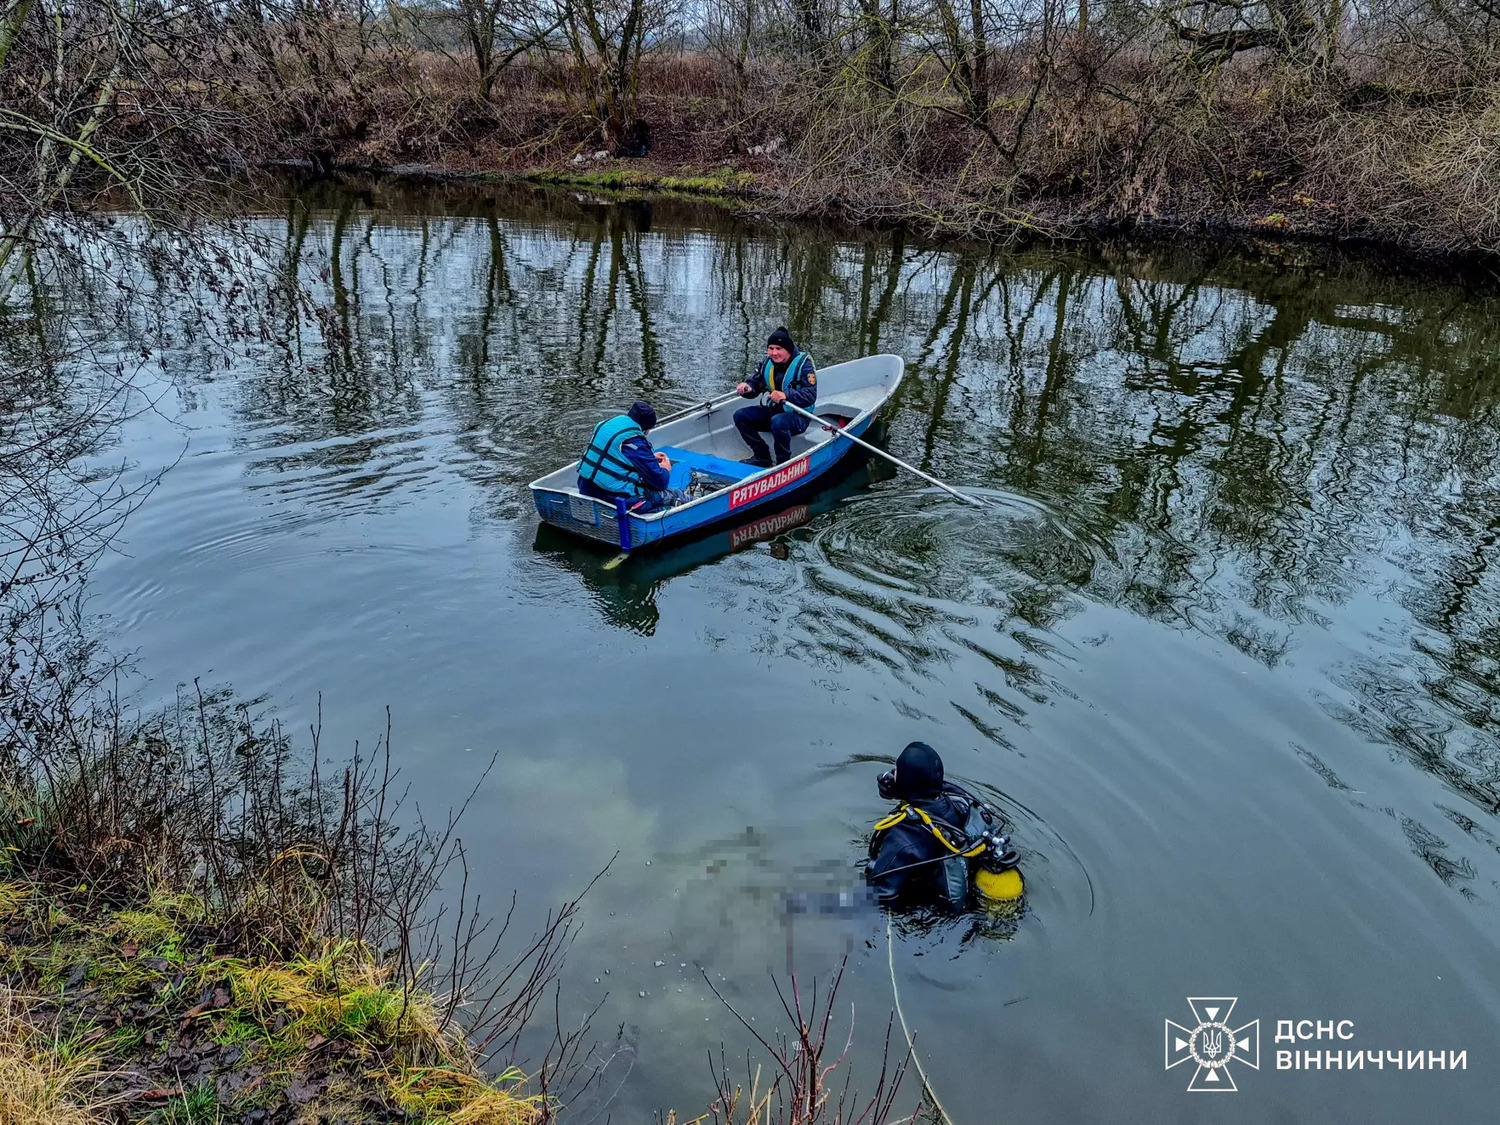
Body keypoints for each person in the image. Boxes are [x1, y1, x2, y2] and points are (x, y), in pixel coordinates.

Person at [865, 742, 1022, 910]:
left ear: (905, 780)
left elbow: (880, 894)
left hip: (937, 909)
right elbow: (924, 787)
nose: (893, 773)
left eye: (897, 771)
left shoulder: (902, 837)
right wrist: (896, 788)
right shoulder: (960, 801)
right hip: (970, 890)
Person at [576, 400, 690, 513]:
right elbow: (660, 482)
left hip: (585, 488)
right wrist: (665, 468)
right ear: (646, 429)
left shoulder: (606, 425)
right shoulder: (635, 442)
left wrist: (650, 457)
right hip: (613, 498)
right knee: (674, 494)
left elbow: (613, 457)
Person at [734, 326, 817, 467]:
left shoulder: (804, 366)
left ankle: (782, 462)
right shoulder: (766, 363)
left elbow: (810, 395)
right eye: (771, 348)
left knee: (779, 422)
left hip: (798, 416)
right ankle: (762, 455)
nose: (774, 353)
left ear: (788, 349)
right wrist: (747, 388)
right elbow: (754, 386)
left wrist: (786, 395)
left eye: (778, 349)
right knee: (740, 416)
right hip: (774, 410)